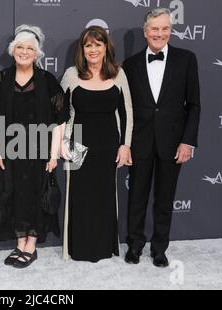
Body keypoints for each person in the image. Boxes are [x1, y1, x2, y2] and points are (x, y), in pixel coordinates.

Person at [0, 24, 69, 268]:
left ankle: (31, 245)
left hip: (40, 153)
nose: (24, 52)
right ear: (13, 51)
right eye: (19, 47)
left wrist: (53, 156)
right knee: (14, 197)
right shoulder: (0, 80)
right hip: (10, 153)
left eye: (29, 48)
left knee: (35, 196)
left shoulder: (47, 81)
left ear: (37, 53)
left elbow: (59, 121)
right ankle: (19, 242)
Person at [123, 8, 200, 267]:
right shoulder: (131, 65)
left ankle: (159, 248)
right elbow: (126, 109)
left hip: (173, 142)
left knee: (165, 198)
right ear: (145, 32)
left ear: (171, 30)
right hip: (140, 141)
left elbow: (194, 105)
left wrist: (187, 141)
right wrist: (126, 143)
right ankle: (134, 245)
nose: (160, 34)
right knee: (137, 197)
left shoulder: (186, 59)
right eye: (155, 29)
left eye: (165, 28)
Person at [60, 26, 133, 262]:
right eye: (88, 45)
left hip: (108, 146)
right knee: (79, 197)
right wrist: (62, 143)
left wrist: (125, 145)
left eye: (97, 44)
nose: (93, 49)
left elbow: (126, 112)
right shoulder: (72, 74)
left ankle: (103, 247)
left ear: (105, 48)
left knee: (104, 197)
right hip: (78, 144)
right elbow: (60, 112)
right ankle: (78, 248)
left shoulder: (118, 74)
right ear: (83, 49)